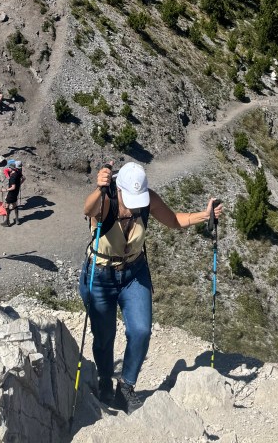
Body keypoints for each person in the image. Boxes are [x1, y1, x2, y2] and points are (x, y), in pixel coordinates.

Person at [80, 161, 223, 412]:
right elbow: (88, 208)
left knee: (141, 330)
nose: (138, 203)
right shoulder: (106, 199)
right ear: (119, 187)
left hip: (134, 272)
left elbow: (175, 220)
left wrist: (205, 215)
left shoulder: (147, 199)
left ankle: (125, 388)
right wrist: (99, 188)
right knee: (104, 336)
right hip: (100, 275)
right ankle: (104, 381)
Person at [3, 160, 24, 226]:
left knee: (7, 205)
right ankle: (17, 220)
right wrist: (19, 184)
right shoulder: (18, 172)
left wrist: (5, 190)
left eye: (9, 168)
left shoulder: (12, 177)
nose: (8, 169)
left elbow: (13, 187)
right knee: (14, 204)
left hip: (11, 193)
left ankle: (7, 221)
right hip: (16, 192)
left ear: (12, 168)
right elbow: (24, 178)